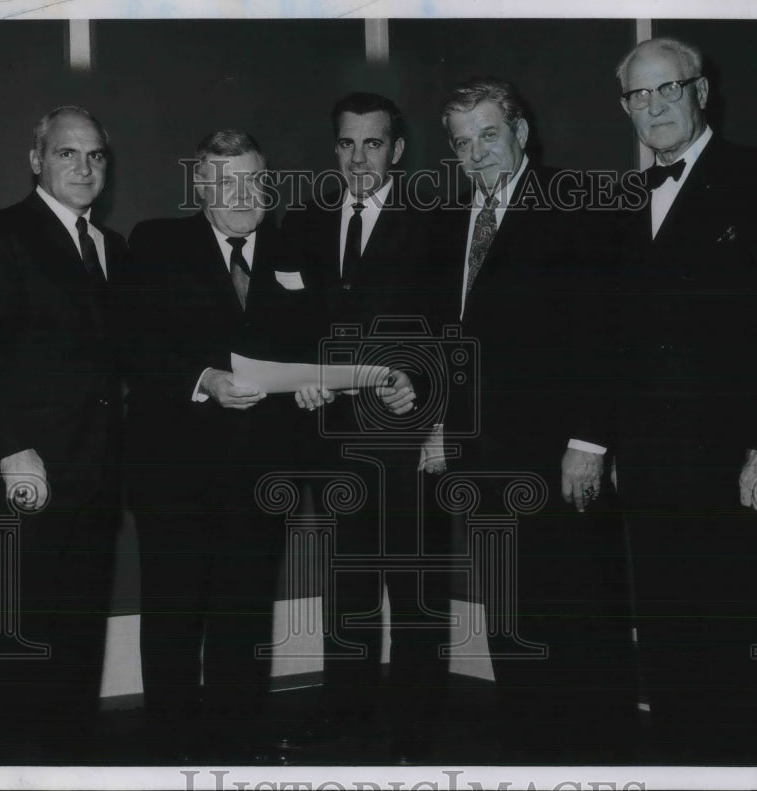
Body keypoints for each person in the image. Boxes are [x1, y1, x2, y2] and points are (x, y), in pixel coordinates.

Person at [606, 37, 757, 762]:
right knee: (675, 649)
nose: (653, 107)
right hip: (653, 470)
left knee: (747, 653)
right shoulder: (622, 199)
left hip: (742, 464)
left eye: (666, 89)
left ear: (700, 91)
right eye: (637, 96)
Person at [432, 78, 638, 762]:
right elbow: (454, 339)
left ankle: (598, 761)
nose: (475, 153)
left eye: (488, 135)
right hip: (483, 458)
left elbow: (605, 331)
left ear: (521, 133)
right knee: (511, 619)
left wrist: (588, 441)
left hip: (560, 455)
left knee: (579, 614)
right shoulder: (453, 217)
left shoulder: (573, 202)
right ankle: (530, 756)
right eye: (461, 143)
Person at [119, 129, 323, 763]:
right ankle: (171, 752)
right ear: (202, 188)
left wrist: (317, 382)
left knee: (245, 613)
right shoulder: (155, 243)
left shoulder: (296, 248)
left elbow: (317, 340)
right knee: (175, 616)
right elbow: (133, 343)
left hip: (263, 468)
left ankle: (236, 747)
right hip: (174, 469)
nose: (246, 194)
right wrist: (205, 379)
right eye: (229, 182)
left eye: (256, 180)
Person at [0, 105, 127, 762]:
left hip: (95, 479)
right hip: (18, 479)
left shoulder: (114, 247)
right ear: (37, 160)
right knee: (22, 659)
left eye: (96, 156)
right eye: (66, 153)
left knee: (78, 656)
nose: (84, 168)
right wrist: (10, 449)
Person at [279, 92, 448, 764]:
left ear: (397, 150)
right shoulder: (307, 220)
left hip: (408, 430)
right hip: (335, 435)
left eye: (372, 144)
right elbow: (293, 319)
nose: (358, 158)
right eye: (347, 144)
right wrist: (303, 371)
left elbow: (453, 328)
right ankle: (343, 713)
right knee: (347, 581)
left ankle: (414, 726)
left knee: (414, 584)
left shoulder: (436, 222)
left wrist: (430, 397)